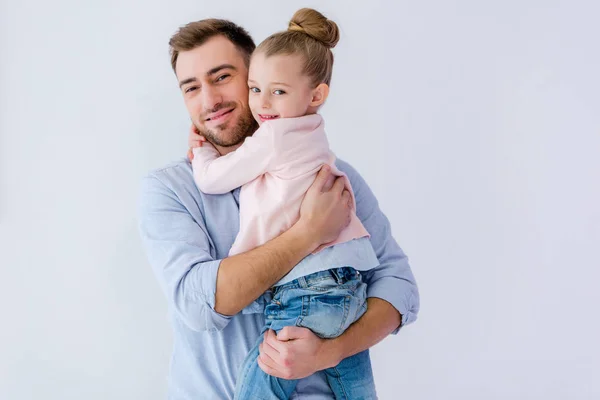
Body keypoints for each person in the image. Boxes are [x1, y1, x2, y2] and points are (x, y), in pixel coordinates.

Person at [137, 10, 420, 400]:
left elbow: (398, 285)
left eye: (222, 77)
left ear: (257, 74)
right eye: (191, 87)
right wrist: (307, 233)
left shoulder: (332, 175)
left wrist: (330, 351)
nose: (210, 99)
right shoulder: (169, 189)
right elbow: (199, 305)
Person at [188, 8, 383, 399]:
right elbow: (198, 303)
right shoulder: (314, 134)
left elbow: (211, 180)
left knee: (262, 381)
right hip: (349, 282)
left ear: (316, 95)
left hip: (305, 288)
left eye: (278, 91)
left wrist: (202, 154)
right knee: (355, 388)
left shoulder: (273, 137)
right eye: (256, 89)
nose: (262, 103)